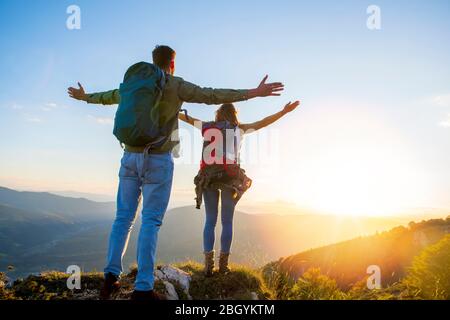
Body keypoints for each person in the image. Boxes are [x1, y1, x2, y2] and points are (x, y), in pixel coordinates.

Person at [67, 45, 285, 300]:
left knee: (123, 219)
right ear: (172, 64)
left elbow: (108, 96)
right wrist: (254, 93)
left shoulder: (136, 85)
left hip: (129, 156)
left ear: (152, 61)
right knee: (150, 220)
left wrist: (84, 97)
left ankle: (110, 279)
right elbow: (212, 95)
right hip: (158, 159)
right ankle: (143, 289)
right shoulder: (174, 84)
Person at [178, 100, 300, 276]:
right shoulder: (239, 129)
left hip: (208, 177)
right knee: (227, 222)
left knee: (210, 221)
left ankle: (208, 266)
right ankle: (224, 266)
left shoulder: (207, 126)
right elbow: (263, 122)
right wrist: (283, 112)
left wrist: (172, 109)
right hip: (230, 177)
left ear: (218, 114)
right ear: (234, 114)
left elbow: (187, 119)